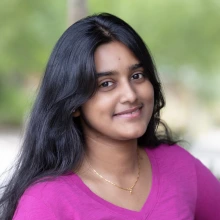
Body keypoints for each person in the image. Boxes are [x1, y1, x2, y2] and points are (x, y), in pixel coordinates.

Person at [0, 13, 220, 220]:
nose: (130, 95)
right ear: (74, 103)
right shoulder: (45, 203)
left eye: (137, 75)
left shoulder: (178, 165)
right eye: (106, 84)